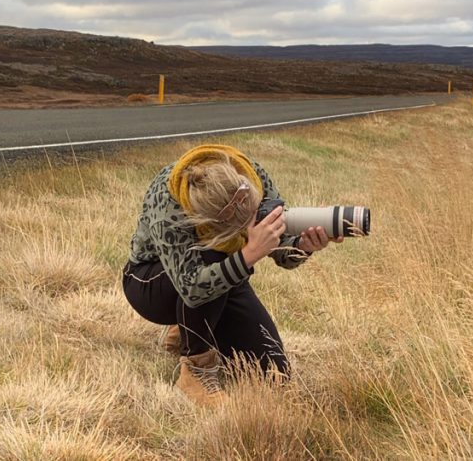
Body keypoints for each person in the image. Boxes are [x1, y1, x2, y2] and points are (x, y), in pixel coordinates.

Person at [122, 143, 342, 407]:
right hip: (153, 282)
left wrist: (304, 246)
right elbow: (190, 287)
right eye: (238, 229)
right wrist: (248, 254)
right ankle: (196, 372)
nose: (250, 227)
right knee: (212, 255)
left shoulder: (252, 175)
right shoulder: (168, 201)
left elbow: (282, 250)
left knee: (274, 374)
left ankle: (188, 328)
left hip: (224, 278)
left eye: (253, 214)